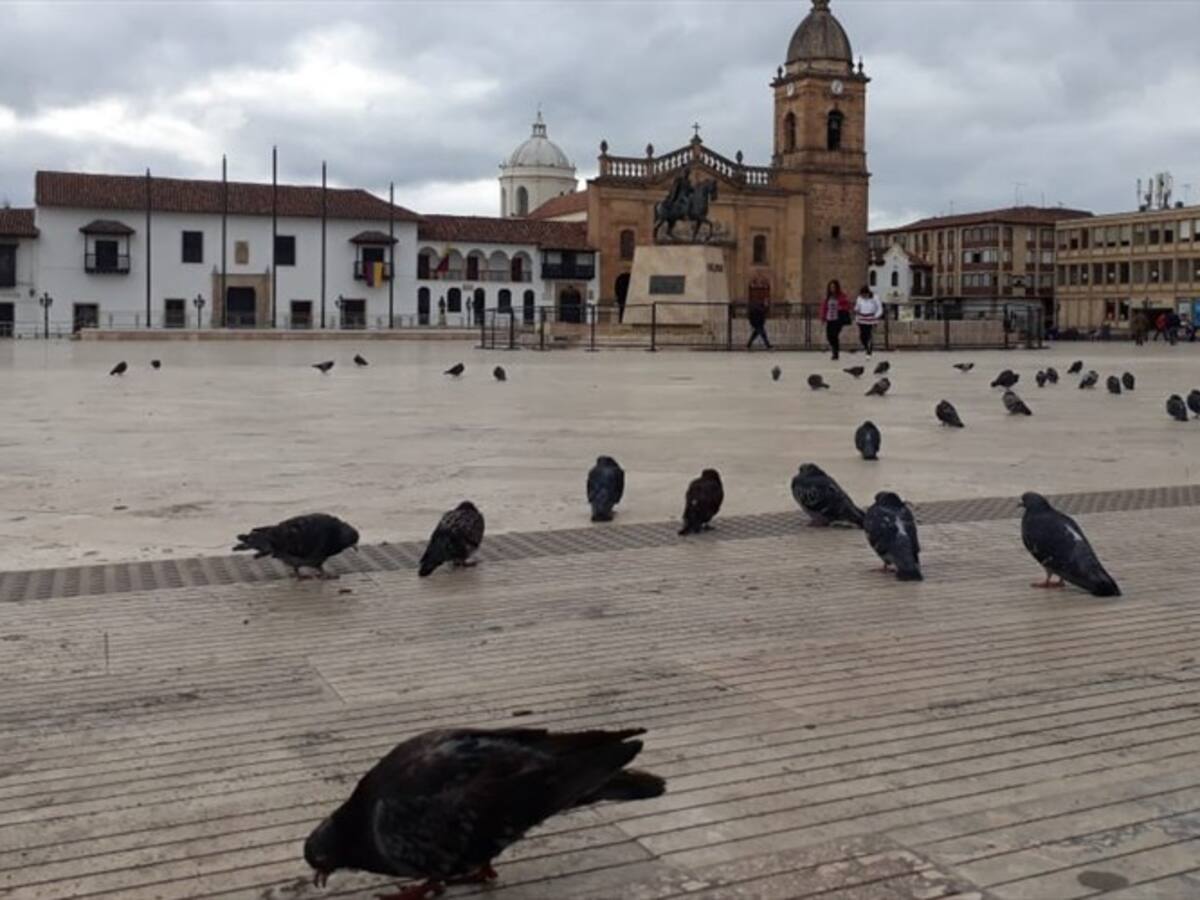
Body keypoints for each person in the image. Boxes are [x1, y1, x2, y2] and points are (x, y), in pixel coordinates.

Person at [822, 279, 851, 360]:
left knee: (834, 335)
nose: (832, 289)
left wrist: (841, 307)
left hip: (838, 319)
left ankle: (835, 353)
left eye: (834, 287)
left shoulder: (841, 296)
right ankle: (834, 349)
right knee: (829, 336)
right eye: (831, 287)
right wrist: (823, 317)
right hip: (829, 318)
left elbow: (847, 306)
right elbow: (824, 307)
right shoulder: (828, 297)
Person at [854, 286, 881, 356]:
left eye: (865, 295)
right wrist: (856, 312)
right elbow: (857, 308)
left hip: (871, 318)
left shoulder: (875, 298)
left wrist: (876, 316)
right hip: (862, 318)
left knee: (868, 333)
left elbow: (879, 308)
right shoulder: (859, 298)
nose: (864, 296)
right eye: (862, 295)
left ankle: (869, 347)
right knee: (862, 335)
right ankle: (866, 347)